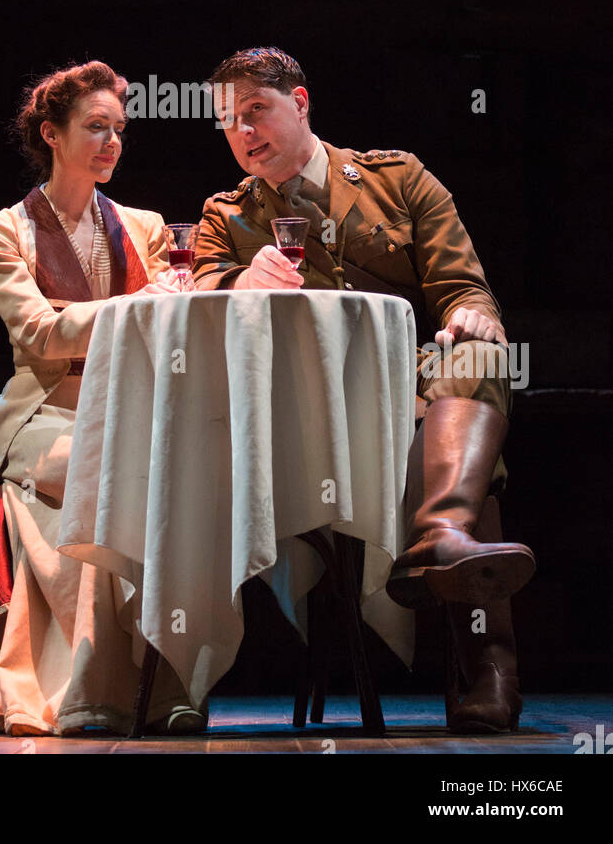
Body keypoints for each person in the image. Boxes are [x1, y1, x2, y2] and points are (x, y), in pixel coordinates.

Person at [192, 46, 536, 734]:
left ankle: (444, 547)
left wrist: (472, 314)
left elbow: (464, 287)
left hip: (409, 387)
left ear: (301, 102)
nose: (243, 133)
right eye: (229, 121)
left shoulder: (398, 179)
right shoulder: (225, 217)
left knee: (479, 358)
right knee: (471, 464)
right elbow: (197, 290)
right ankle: (479, 645)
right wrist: (240, 282)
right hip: (301, 406)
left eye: (256, 111)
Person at [0, 60, 206, 737]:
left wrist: (160, 308)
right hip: (43, 412)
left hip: (129, 405)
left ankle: (164, 689)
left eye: (119, 131)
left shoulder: (147, 226)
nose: (111, 144)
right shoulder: (2, 229)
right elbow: (41, 337)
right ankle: (87, 692)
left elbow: (172, 323)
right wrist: (139, 308)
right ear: (51, 133)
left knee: (182, 467)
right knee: (97, 469)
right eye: (95, 128)